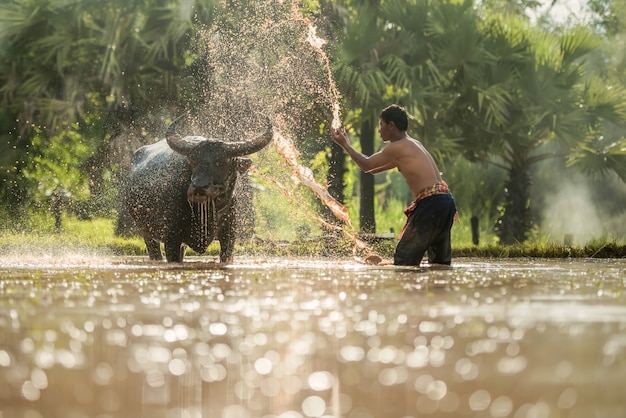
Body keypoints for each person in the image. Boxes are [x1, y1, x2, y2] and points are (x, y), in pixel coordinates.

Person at [331, 104, 457, 266]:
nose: (379, 130)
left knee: (404, 259)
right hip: (445, 203)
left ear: (391, 126)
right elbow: (373, 169)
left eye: (381, 125)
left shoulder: (398, 147)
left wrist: (345, 145)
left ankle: (409, 290)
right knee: (439, 264)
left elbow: (366, 165)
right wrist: (348, 145)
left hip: (431, 205)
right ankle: (442, 289)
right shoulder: (411, 144)